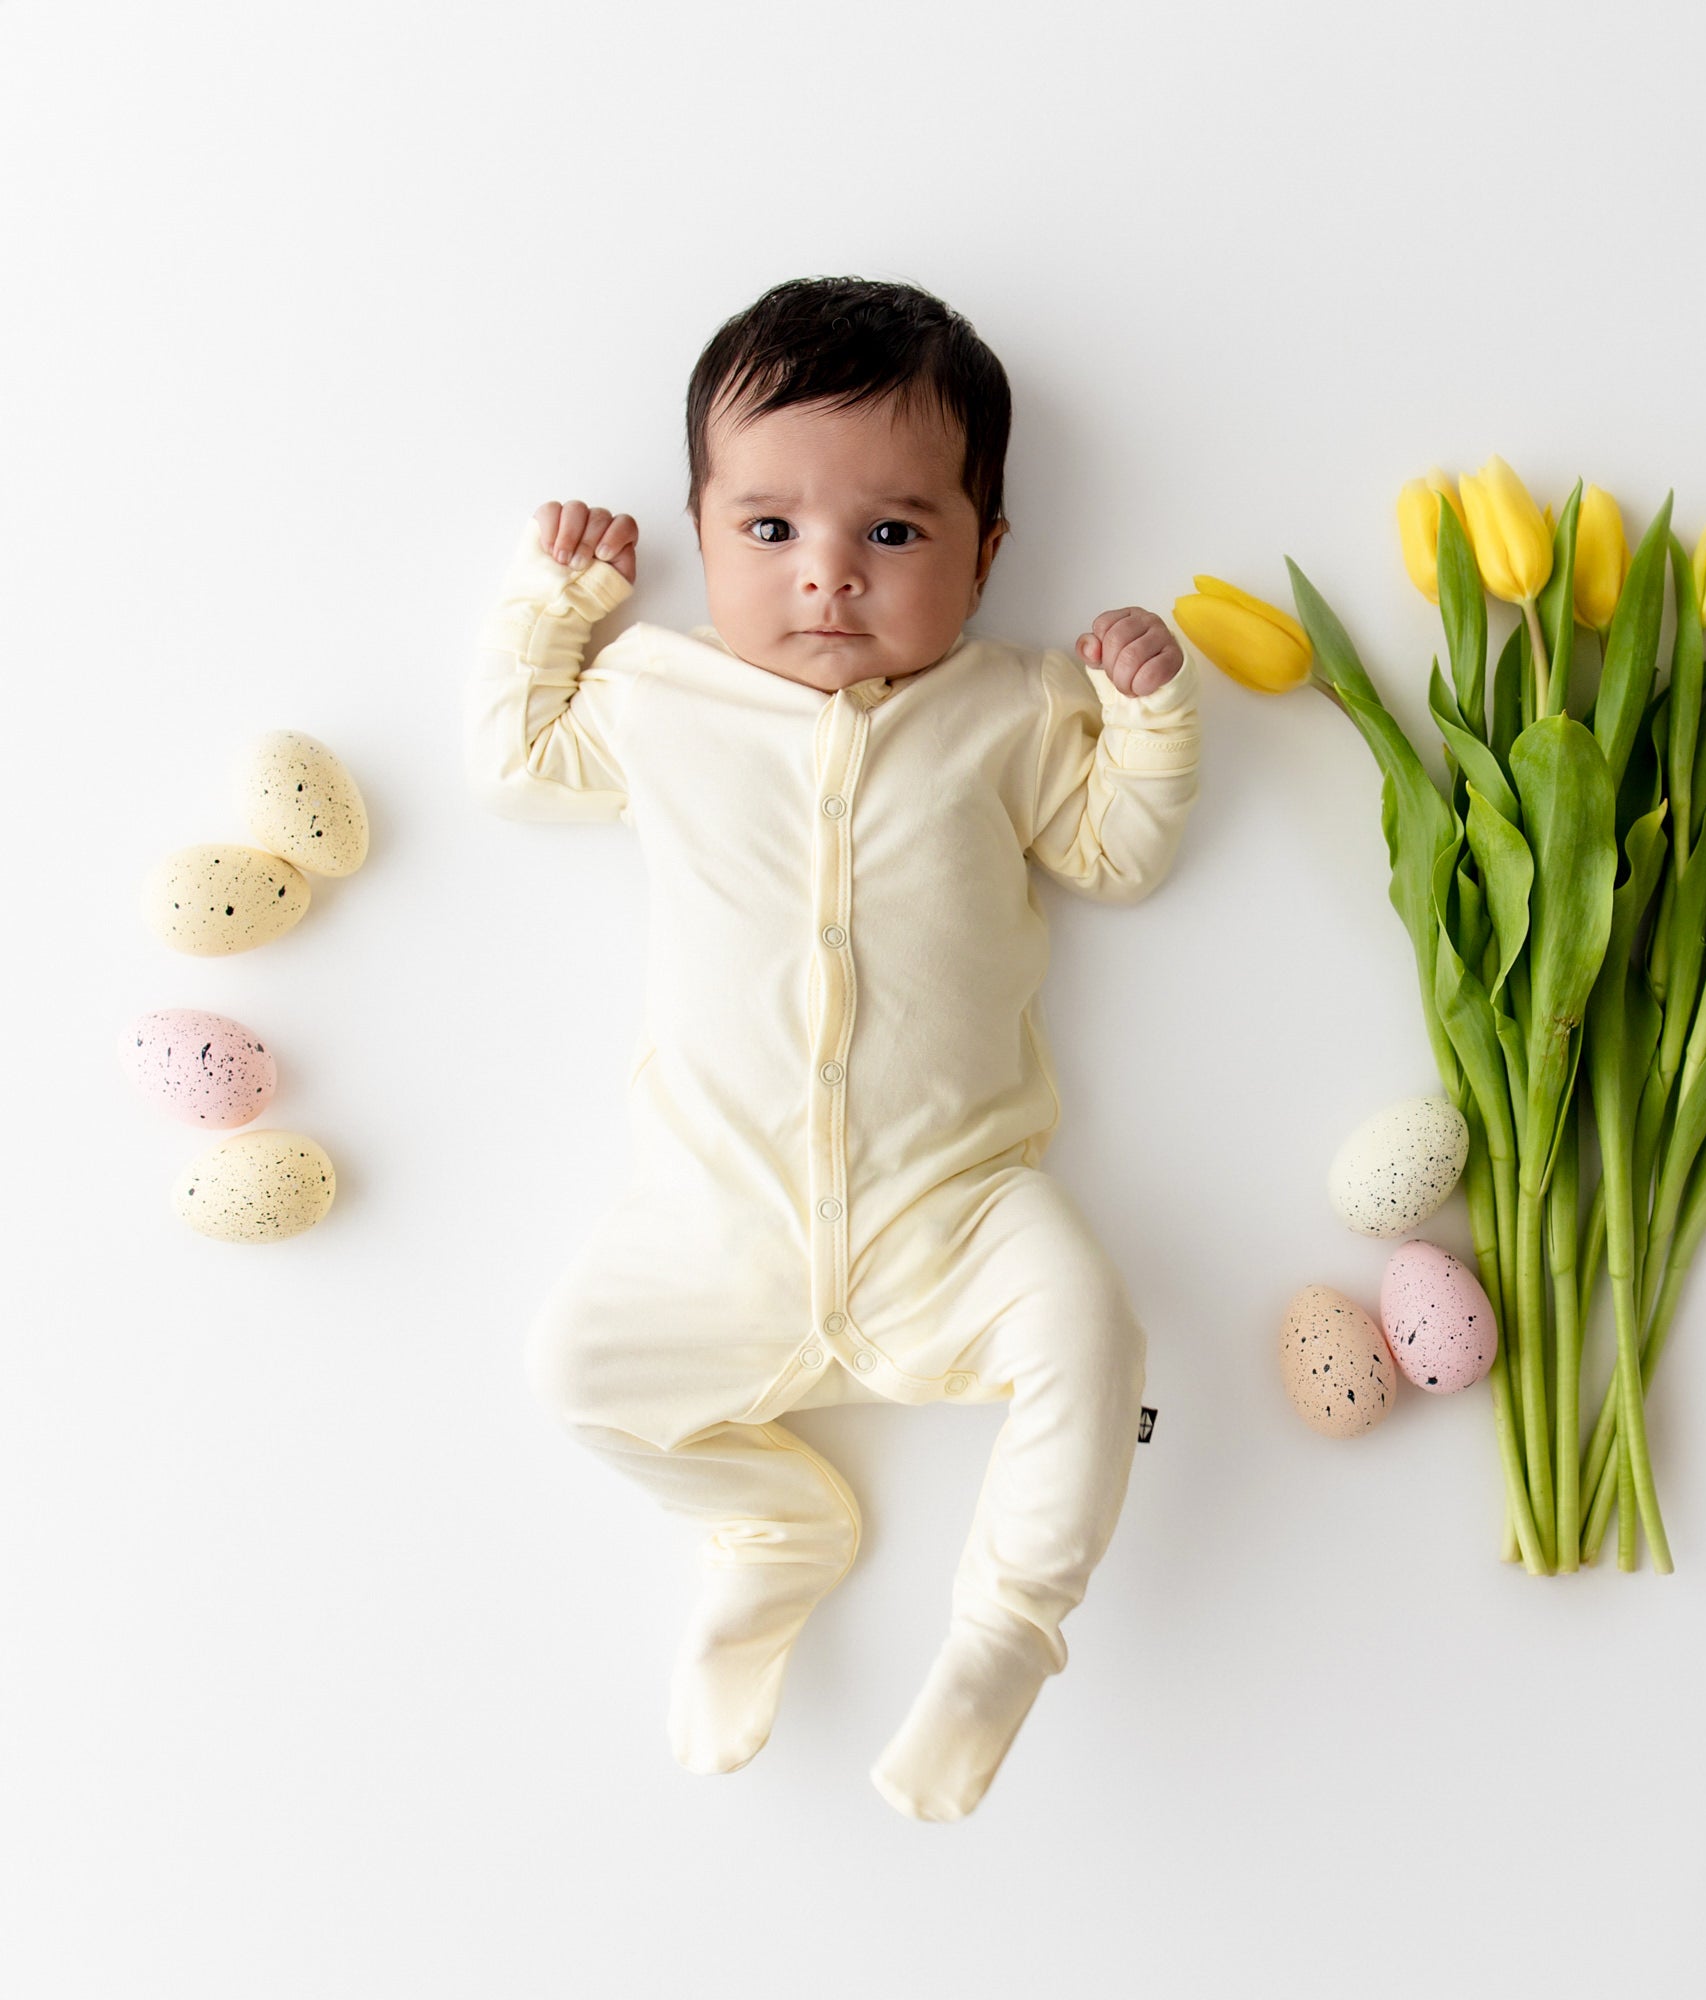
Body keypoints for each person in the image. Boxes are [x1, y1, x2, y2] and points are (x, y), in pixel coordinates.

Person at [464, 275, 1201, 1822]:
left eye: (894, 532)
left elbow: (1117, 855)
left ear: (986, 552)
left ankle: (1004, 1635)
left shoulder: (1012, 707)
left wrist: (1148, 728)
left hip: (956, 1205)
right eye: (769, 527)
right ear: (701, 526)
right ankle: (769, 1526)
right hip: (717, 1215)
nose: (827, 577)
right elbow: (517, 760)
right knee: (573, 1372)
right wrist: (560, 601)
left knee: (1092, 1334)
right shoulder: (661, 695)